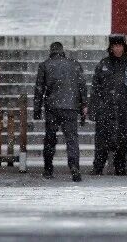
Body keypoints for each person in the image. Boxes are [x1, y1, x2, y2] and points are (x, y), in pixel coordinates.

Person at [33, 41, 88, 181]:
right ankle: (74, 166)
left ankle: (48, 168)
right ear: (63, 51)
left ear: (51, 51)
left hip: (52, 107)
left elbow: (39, 89)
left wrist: (37, 109)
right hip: (70, 107)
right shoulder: (74, 64)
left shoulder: (45, 65)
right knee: (72, 139)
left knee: (50, 138)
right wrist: (84, 105)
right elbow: (82, 86)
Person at [90, 34, 127, 176]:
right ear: (111, 48)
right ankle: (98, 167)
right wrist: (94, 109)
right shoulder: (103, 65)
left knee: (123, 140)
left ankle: (120, 168)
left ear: (124, 48)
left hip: (124, 110)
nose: (118, 49)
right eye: (115, 46)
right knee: (102, 141)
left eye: (120, 46)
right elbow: (95, 89)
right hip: (105, 110)